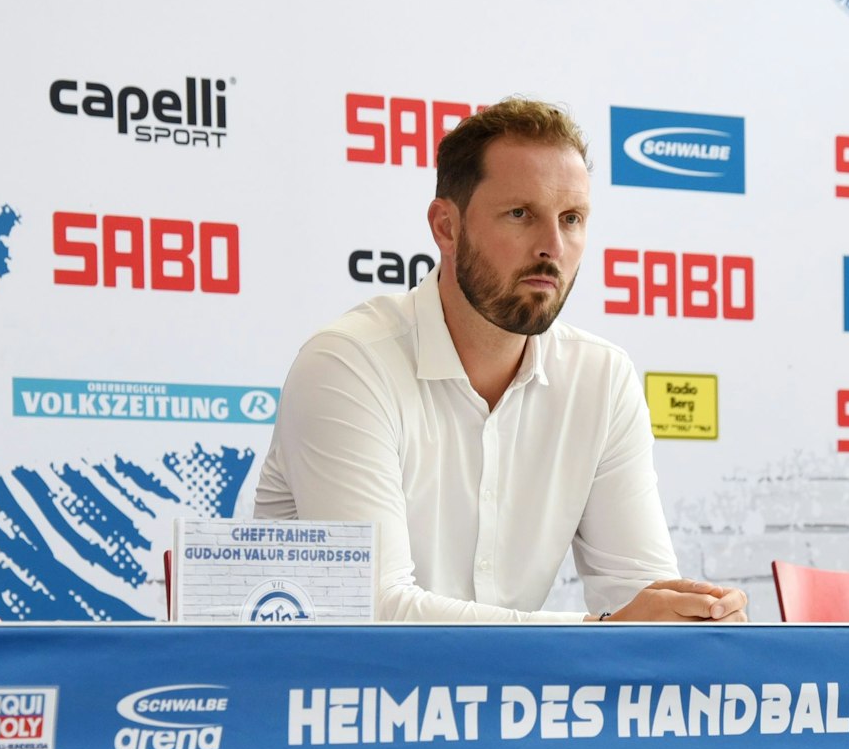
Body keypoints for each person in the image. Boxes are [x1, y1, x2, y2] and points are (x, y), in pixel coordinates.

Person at [255, 98, 747, 623]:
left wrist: (688, 618)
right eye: (520, 214)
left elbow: (639, 597)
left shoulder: (601, 377)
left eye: (572, 219)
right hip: (338, 699)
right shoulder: (347, 365)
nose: (552, 247)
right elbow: (374, 611)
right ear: (446, 227)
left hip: (506, 701)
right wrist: (600, 631)